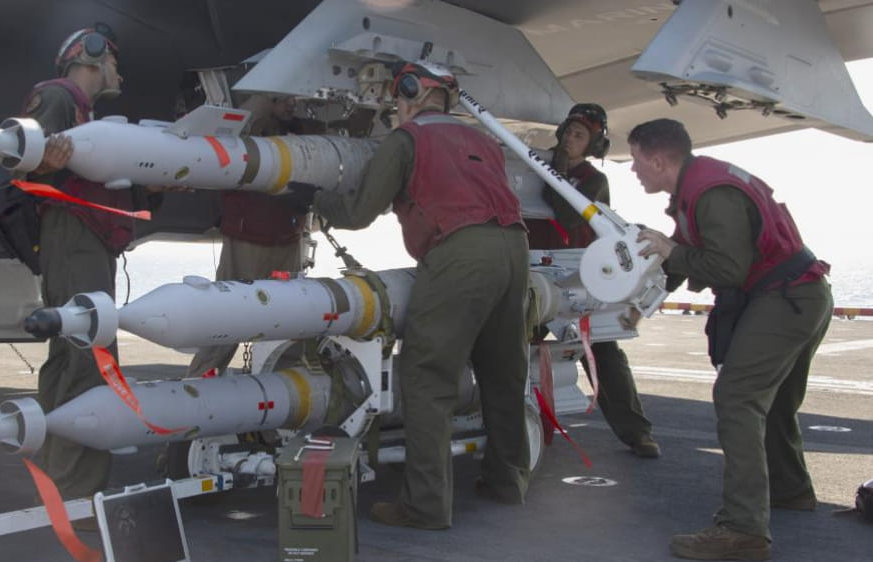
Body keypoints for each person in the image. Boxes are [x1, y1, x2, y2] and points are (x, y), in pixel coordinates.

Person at [291, 60, 531, 529]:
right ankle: (507, 480)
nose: (394, 109)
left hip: (460, 253)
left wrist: (314, 199)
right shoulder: (484, 140)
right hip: (514, 249)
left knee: (426, 377)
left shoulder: (408, 140)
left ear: (411, 93)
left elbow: (361, 212)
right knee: (504, 372)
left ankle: (424, 505)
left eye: (396, 99)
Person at [629, 118, 833, 560]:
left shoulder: (711, 193)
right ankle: (789, 488)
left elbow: (727, 268)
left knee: (738, 398)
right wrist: (636, 301)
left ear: (659, 159)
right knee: (773, 400)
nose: (633, 171)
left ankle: (743, 530)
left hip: (784, 297)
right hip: (803, 293)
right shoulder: (699, 184)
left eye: (637, 161)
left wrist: (670, 250)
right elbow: (683, 256)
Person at [26, 23, 162, 502]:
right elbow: (26, 153)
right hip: (73, 238)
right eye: (113, 62)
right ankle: (76, 493)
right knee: (89, 356)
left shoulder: (85, 115)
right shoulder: (59, 95)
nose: (117, 72)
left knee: (70, 354)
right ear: (92, 56)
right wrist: (40, 158)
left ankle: (55, 477)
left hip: (83, 239)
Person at [524, 103, 660, 459]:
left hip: (576, 274)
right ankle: (520, 427)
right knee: (519, 348)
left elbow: (569, 217)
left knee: (601, 350)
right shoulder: (536, 165)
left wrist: (553, 169)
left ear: (592, 144)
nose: (570, 139)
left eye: (579, 135)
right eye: (568, 131)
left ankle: (637, 433)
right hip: (533, 270)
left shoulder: (592, 180)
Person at [186, 94, 307, 377]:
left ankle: (282, 393)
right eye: (287, 98)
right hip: (247, 239)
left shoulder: (296, 129)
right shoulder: (243, 129)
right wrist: (269, 97)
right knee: (228, 320)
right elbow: (240, 127)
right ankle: (198, 386)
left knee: (288, 322)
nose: (293, 103)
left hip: (287, 239)